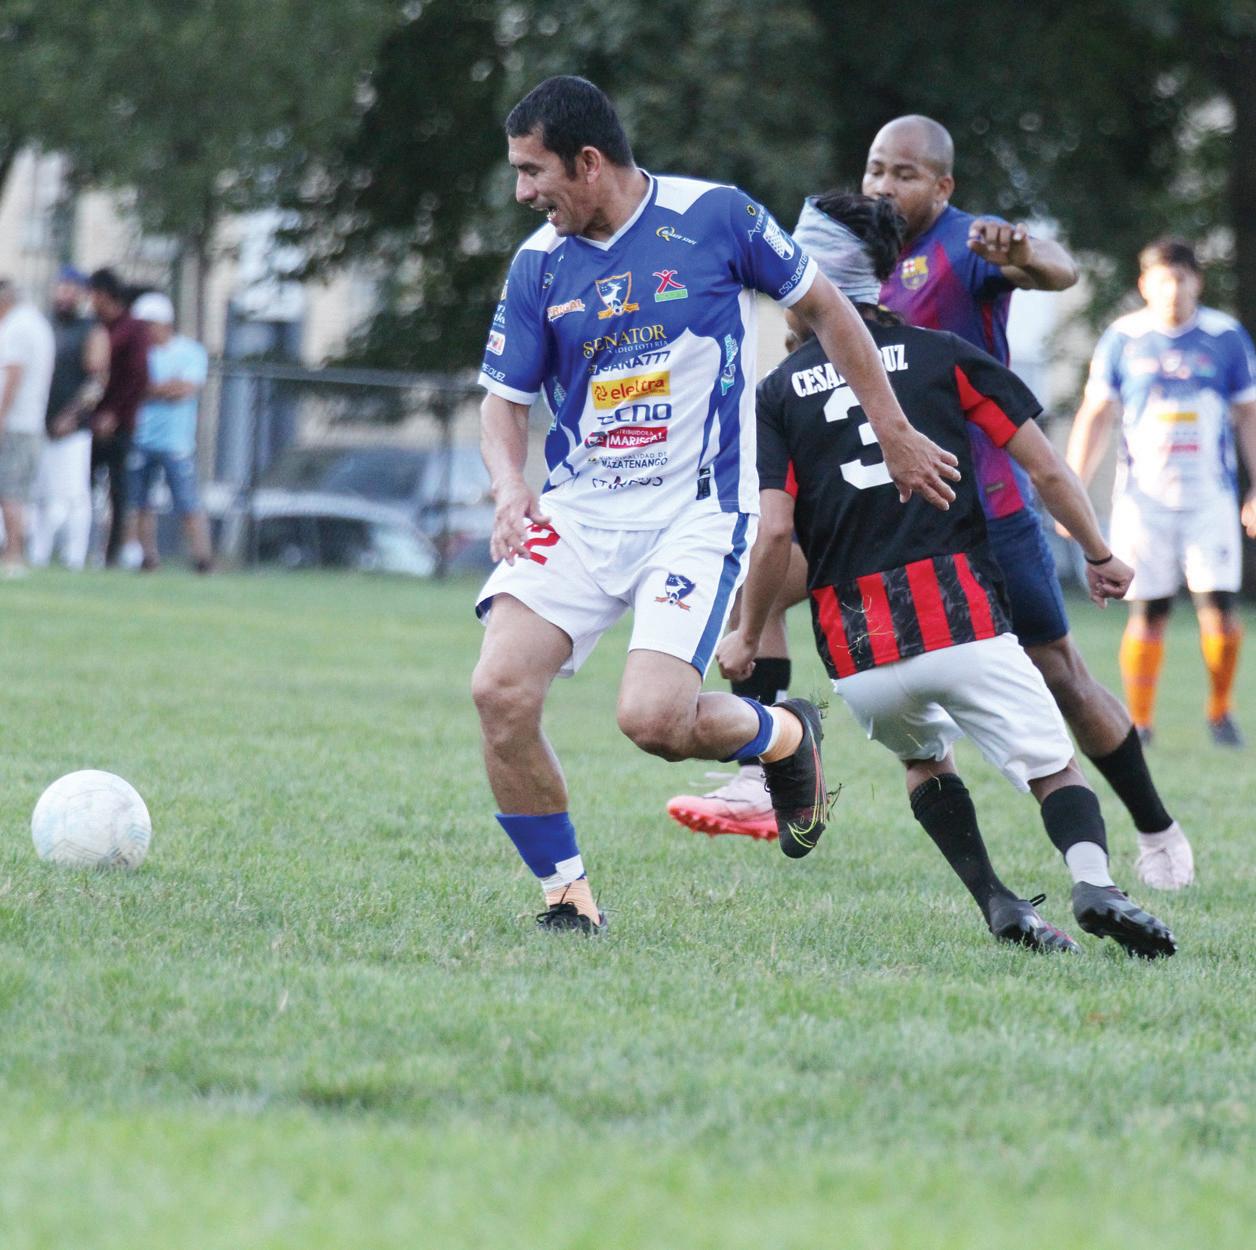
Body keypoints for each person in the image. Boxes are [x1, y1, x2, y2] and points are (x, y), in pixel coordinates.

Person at [470, 76, 960, 933]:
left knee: (653, 722)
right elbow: (503, 401)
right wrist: (512, 487)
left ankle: (784, 737)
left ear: (589, 163)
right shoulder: (538, 265)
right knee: (498, 691)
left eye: (532, 170)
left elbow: (827, 308)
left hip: (695, 512)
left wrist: (893, 430)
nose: (522, 192)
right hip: (579, 513)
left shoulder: (715, 217)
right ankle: (567, 898)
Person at [670, 113, 1193, 895]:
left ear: (943, 187)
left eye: (904, 173)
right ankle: (764, 769)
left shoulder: (966, 244)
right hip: (869, 507)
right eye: (876, 168)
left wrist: (1026, 252)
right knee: (763, 588)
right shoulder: (845, 245)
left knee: (1060, 674)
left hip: (976, 503)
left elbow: (1059, 273)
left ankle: (1155, 827)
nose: (883, 184)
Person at [1066, 237, 1256, 748]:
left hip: (1209, 498)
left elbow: (1249, 414)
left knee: (1219, 607)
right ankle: (1141, 721)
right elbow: (1095, 415)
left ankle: (1221, 712)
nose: (1173, 289)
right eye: (1163, 279)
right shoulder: (1123, 338)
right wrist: (1072, 488)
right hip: (1143, 500)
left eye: (1182, 278)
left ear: (1198, 282)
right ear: (1144, 284)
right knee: (1147, 610)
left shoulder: (1225, 336)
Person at [127, 292, 213, 572]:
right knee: (140, 503)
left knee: (187, 502)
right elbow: (134, 388)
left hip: (177, 442)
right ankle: (148, 558)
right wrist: (163, 388)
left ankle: (202, 559)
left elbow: (185, 389)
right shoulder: (139, 353)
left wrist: (153, 389)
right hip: (141, 437)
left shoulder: (190, 352)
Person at [29, 267, 108, 570]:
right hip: (40, 422)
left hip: (73, 427)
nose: (64, 295)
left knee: (74, 494)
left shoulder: (91, 330)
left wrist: (73, 415)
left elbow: (97, 381)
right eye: (61, 288)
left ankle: (74, 556)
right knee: (39, 493)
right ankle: (37, 552)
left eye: (71, 290)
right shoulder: (45, 325)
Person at [87, 268, 149, 567]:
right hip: (88, 420)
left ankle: (112, 553)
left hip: (119, 423)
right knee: (83, 484)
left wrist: (114, 413)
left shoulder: (133, 329)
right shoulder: (95, 327)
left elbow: (136, 377)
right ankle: (82, 547)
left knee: (118, 490)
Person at [0, 279, 55, 574]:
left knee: (10, 489)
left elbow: (13, 374)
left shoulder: (17, 327)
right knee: (17, 489)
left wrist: (1, 416)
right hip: (30, 421)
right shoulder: (37, 323)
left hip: (16, 422)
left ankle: (13, 554)